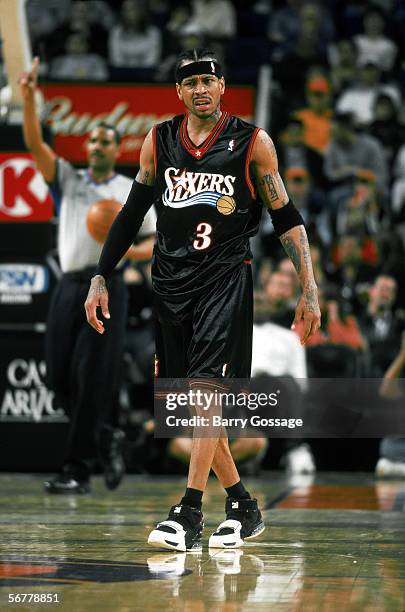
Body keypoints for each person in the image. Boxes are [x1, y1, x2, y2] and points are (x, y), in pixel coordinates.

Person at [85, 48, 321, 552]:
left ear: (221, 87)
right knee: (184, 403)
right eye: (190, 83)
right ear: (179, 92)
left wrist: (309, 286)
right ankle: (242, 504)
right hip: (169, 281)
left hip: (224, 278)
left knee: (203, 392)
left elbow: (287, 218)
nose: (200, 90)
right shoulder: (159, 139)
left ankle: (189, 510)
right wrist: (101, 275)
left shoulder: (253, 143)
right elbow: (129, 214)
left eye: (208, 81)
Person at [19, 57, 157, 494]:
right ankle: (108, 435)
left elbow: (157, 240)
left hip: (107, 287)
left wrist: (129, 252)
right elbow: (35, 144)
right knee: (58, 376)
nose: (96, 145)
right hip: (68, 287)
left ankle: (76, 469)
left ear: (116, 150)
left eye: (105, 140)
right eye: (92, 140)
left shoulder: (127, 190)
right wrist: (26, 100)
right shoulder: (68, 177)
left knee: (91, 377)